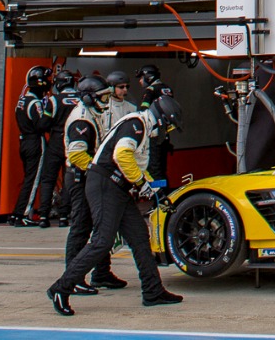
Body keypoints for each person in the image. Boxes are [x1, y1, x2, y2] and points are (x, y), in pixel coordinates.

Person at [48, 96, 185, 315]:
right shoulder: (137, 125)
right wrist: (142, 184)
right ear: (161, 120)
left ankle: (153, 291)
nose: (167, 132)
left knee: (140, 237)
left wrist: (158, 192)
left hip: (117, 188)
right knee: (102, 241)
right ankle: (61, 288)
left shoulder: (139, 126)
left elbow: (137, 165)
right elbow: (122, 155)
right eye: (168, 126)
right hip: (105, 184)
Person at [62, 76, 126, 293]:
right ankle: (73, 278)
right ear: (89, 98)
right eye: (102, 96)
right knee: (81, 227)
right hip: (81, 177)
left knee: (101, 225)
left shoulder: (91, 114)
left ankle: (101, 272)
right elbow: (77, 154)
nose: (106, 100)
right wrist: (99, 171)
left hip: (89, 176)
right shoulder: (81, 120)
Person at [12, 66, 56, 226]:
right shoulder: (35, 103)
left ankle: (17, 212)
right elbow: (41, 125)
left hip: (23, 140)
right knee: (33, 179)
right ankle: (22, 215)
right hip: (35, 141)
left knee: (27, 178)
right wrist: (50, 114)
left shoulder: (21, 100)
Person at [45, 69, 78, 226]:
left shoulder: (54, 100)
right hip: (73, 140)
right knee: (69, 179)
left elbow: (44, 123)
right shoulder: (80, 99)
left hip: (56, 140)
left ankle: (44, 216)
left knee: (48, 178)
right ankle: (64, 216)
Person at [137, 65, 173, 185]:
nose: (140, 81)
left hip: (154, 134)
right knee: (162, 168)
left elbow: (143, 111)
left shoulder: (151, 90)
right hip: (166, 134)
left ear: (148, 76)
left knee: (154, 169)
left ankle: (160, 198)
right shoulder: (167, 89)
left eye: (142, 77)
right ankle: (166, 195)